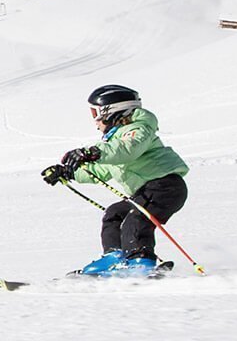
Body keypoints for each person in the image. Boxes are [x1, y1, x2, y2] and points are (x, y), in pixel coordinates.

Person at [42, 85, 189, 277]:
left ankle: (141, 262)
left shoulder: (138, 129)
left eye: (95, 113)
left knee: (136, 219)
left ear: (111, 112)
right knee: (114, 214)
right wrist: (68, 172)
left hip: (165, 187)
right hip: (147, 190)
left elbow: (126, 150)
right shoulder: (113, 142)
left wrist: (92, 152)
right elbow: (103, 169)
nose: (95, 121)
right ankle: (115, 257)